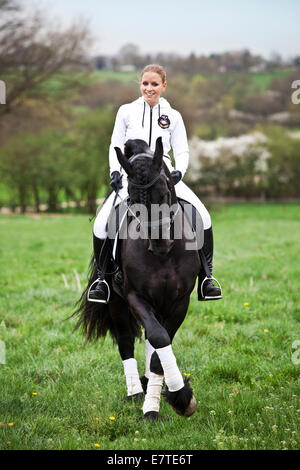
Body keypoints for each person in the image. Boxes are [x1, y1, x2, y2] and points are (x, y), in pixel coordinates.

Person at [89, 64, 222, 303]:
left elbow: (182, 150)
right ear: (140, 84)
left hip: (165, 177)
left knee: (203, 216)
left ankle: (206, 278)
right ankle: (102, 280)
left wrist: (178, 172)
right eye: (145, 83)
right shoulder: (125, 111)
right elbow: (115, 145)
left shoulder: (173, 116)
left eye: (154, 84)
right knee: (101, 223)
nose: (149, 88)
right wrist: (116, 171)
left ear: (163, 86)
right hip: (133, 177)